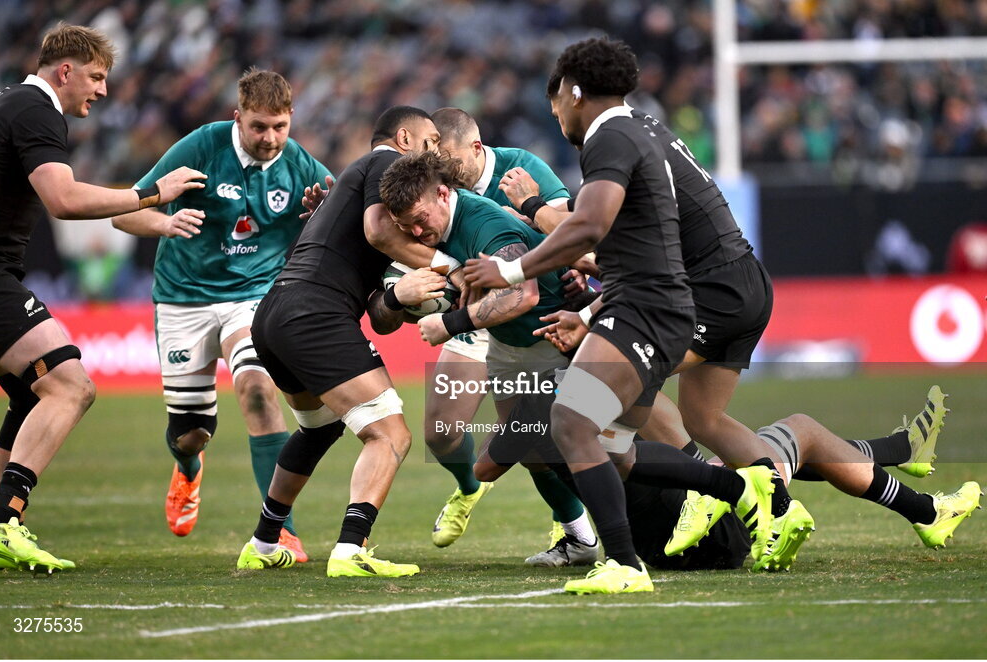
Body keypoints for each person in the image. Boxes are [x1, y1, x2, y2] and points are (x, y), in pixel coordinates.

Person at [381, 151, 776, 591]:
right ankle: (710, 497)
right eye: (407, 227)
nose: (417, 233)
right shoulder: (457, 223)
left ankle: (646, 537)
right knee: (605, 449)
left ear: (444, 190)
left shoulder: (491, 217)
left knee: (580, 442)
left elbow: (525, 294)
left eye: (419, 219)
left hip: (558, 347)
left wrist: (451, 322)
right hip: (538, 345)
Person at [464, 37, 776, 594]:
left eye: (556, 99)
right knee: (611, 444)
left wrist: (510, 272)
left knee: (571, 422)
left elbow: (589, 226)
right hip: (648, 302)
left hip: (650, 307)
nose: (555, 111)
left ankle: (627, 563)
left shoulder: (610, 135)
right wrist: (589, 310)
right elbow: (622, 237)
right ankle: (739, 490)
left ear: (574, 91)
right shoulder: (638, 129)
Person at [0, 24, 204, 573]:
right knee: (72, 385)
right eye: (95, 77)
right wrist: (152, 192)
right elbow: (63, 200)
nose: (101, 90)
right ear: (64, 71)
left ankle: (6, 527)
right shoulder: (35, 109)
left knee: (32, 395)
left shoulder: (9, 103)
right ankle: (2, 520)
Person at [111, 69, 332, 562]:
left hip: (252, 298)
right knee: (190, 433)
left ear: (291, 118)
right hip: (183, 299)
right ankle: (188, 469)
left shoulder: (299, 165)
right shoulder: (201, 148)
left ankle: (279, 532)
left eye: (279, 126)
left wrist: (324, 210)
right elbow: (124, 212)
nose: (270, 138)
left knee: (257, 389)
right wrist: (164, 221)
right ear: (237, 118)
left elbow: (345, 215)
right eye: (258, 127)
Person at [234, 106, 444, 578]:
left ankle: (264, 542)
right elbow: (377, 233)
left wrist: (398, 295)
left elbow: (377, 308)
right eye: (431, 141)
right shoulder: (386, 164)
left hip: (274, 315)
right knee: (390, 433)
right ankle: (351, 550)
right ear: (404, 138)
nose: (436, 153)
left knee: (319, 428)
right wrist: (455, 263)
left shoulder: (347, 193)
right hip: (315, 313)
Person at [480, 385, 981, 572]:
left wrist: (515, 428)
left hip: (644, 544)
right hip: (711, 529)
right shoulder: (607, 392)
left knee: (754, 447)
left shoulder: (538, 415)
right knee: (796, 432)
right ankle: (924, 505)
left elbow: (482, 467)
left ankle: (899, 453)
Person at [406, 107, 592, 562]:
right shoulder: (433, 190)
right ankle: (470, 487)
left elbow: (569, 230)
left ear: (475, 148)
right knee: (441, 432)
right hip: (477, 311)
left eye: (446, 156)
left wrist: (576, 274)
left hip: (529, 310)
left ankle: (575, 532)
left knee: (532, 435)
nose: (440, 168)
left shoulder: (523, 169)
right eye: (433, 155)